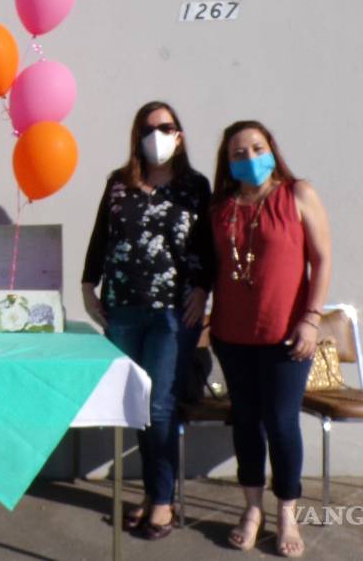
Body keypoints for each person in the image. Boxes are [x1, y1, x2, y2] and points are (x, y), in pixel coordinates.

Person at [82, 101, 214, 540]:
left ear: (179, 134)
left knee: (159, 406)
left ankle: (162, 500)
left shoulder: (195, 186)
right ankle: (152, 492)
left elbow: (208, 245)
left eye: (166, 126)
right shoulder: (119, 183)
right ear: (136, 137)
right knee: (137, 405)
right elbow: (101, 235)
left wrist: (203, 289)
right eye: (147, 128)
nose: (157, 134)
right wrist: (88, 285)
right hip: (122, 308)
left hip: (173, 312)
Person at [208, 120, 331, 557]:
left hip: (287, 336)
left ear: (272, 150)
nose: (250, 158)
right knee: (246, 421)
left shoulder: (298, 193)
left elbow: (322, 259)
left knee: (281, 422)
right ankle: (251, 509)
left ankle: (287, 513)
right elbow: (209, 265)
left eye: (257, 148)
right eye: (238, 153)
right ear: (227, 161)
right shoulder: (221, 207)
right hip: (231, 335)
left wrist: (311, 319)